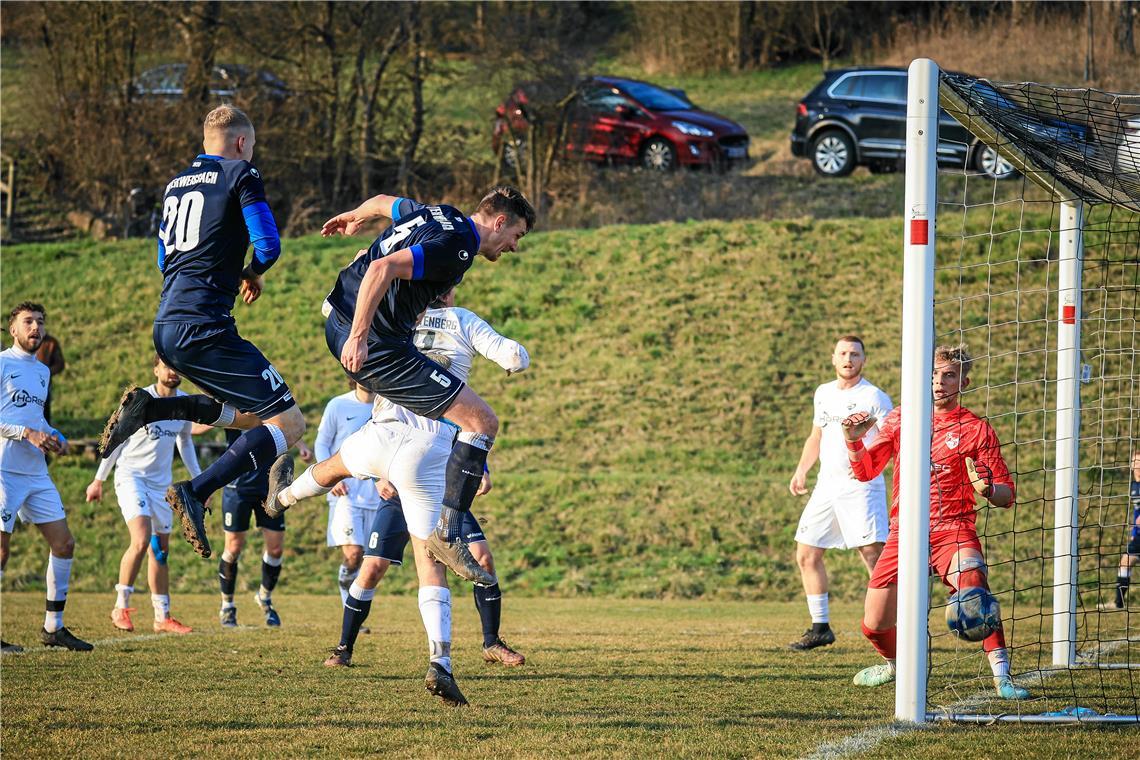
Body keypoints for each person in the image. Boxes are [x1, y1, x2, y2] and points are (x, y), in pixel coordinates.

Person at [98, 104, 305, 561]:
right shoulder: (241, 174)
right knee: (290, 424)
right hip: (205, 326)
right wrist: (252, 270)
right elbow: (269, 244)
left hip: (166, 325)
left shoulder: (175, 185)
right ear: (241, 143)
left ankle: (153, 406)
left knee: (251, 418)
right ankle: (194, 489)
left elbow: (162, 260)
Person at [316, 185, 534, 586]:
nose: (514, 247)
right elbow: (382, 270)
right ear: (500, 222)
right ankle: (447, 534)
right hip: (373, 342)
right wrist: (360, 337)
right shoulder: (458, 246)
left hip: (341, 313)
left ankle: (285, 494)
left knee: (446, 426)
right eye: (516, 236)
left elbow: (384, 203)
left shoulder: (440, 214)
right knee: (482, 422)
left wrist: (356, 213)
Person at [323, 286, 529, 670]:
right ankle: (344, 647)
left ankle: (491, 642)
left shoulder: (448, 365)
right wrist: (380, 475)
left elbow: (465, 426)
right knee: (373, 568)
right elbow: (381, 426)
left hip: (442, 484)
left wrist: (481, 468)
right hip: (399, 481)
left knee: (482, 556)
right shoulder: (400, 342)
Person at [841, 343, 1029, 700]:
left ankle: (1002, 677)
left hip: (952, 528)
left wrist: (988, 489)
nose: (939, 381)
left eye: (949, 375)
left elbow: (1007, 495)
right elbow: (866, 471)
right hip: (905, 531)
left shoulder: (976, 430)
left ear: (965, 382)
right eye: (933, 374)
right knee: (873, 624)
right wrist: (852, 440)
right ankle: (896, 665)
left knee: (974, 588)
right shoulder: (900, 419)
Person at [787, 336, 891, 650]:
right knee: (806, 554)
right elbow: (816, 435)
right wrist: (802, 469)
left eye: (855, 354)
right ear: (834, 359)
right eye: (843, 353)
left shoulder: (874, 397)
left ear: (864, 360)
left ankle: (897, 623)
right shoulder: (823, 393)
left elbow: (889, 440)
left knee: (874, 558)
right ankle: (820, 628)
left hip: (862, 488)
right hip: (827, 487)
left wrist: (866, 463)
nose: (848, 359)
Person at [85, 357, 202, 635]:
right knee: (140, 539)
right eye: (167, 366)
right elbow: (116, 440)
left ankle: (162, 616)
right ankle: (120, 607)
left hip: (161, 485)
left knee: (160, 552)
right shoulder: (141, 400)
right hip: (131, 477)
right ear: (156, 370)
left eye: (177, 366)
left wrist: (200, 481)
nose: (173, 371)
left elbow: (184, 441)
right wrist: (98, 480)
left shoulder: (184, 403)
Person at [1, 302, 92, 652]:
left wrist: (57, 437)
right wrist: (26, 434)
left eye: (40, 322)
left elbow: (36, 420)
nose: (35, 328)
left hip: (35, 472)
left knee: (64, 544)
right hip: (4, 471)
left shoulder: (42, 371)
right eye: (28, 322)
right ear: (14, 329)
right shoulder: (2, 363)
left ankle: (53, 628)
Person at [215, 428, 312, 628]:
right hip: (237, 487)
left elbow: (286, 422)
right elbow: (200, 425)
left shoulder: (269, 401)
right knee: (233, 548)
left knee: (276, 548)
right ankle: (227, 606)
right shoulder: (233, 400)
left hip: (269, 486)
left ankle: (264, 598)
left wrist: (301, 445)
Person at [314, 380, 382, 606]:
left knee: (369, 561)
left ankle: (355, 610)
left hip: (377, 495)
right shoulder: (338, 405)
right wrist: (329, 476)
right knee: (353, 553)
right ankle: (349, 607)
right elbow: (322, 443)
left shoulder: (388, 405)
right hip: (346, 494)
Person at [1100, 450, 1140, 612]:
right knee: (1125, 562)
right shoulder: (1133, 485)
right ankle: (1119, 603)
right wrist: (1133, 532)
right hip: (1138, 536)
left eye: (1139, 461)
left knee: (1126, 561)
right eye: (1134, 461)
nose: (1137, 465)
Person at [34, 332, 64, 424]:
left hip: (44, 386)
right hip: (25, 386)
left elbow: (60, 364)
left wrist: (45, 372)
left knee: (44, 417)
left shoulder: (50, 342)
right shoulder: (24, 341)